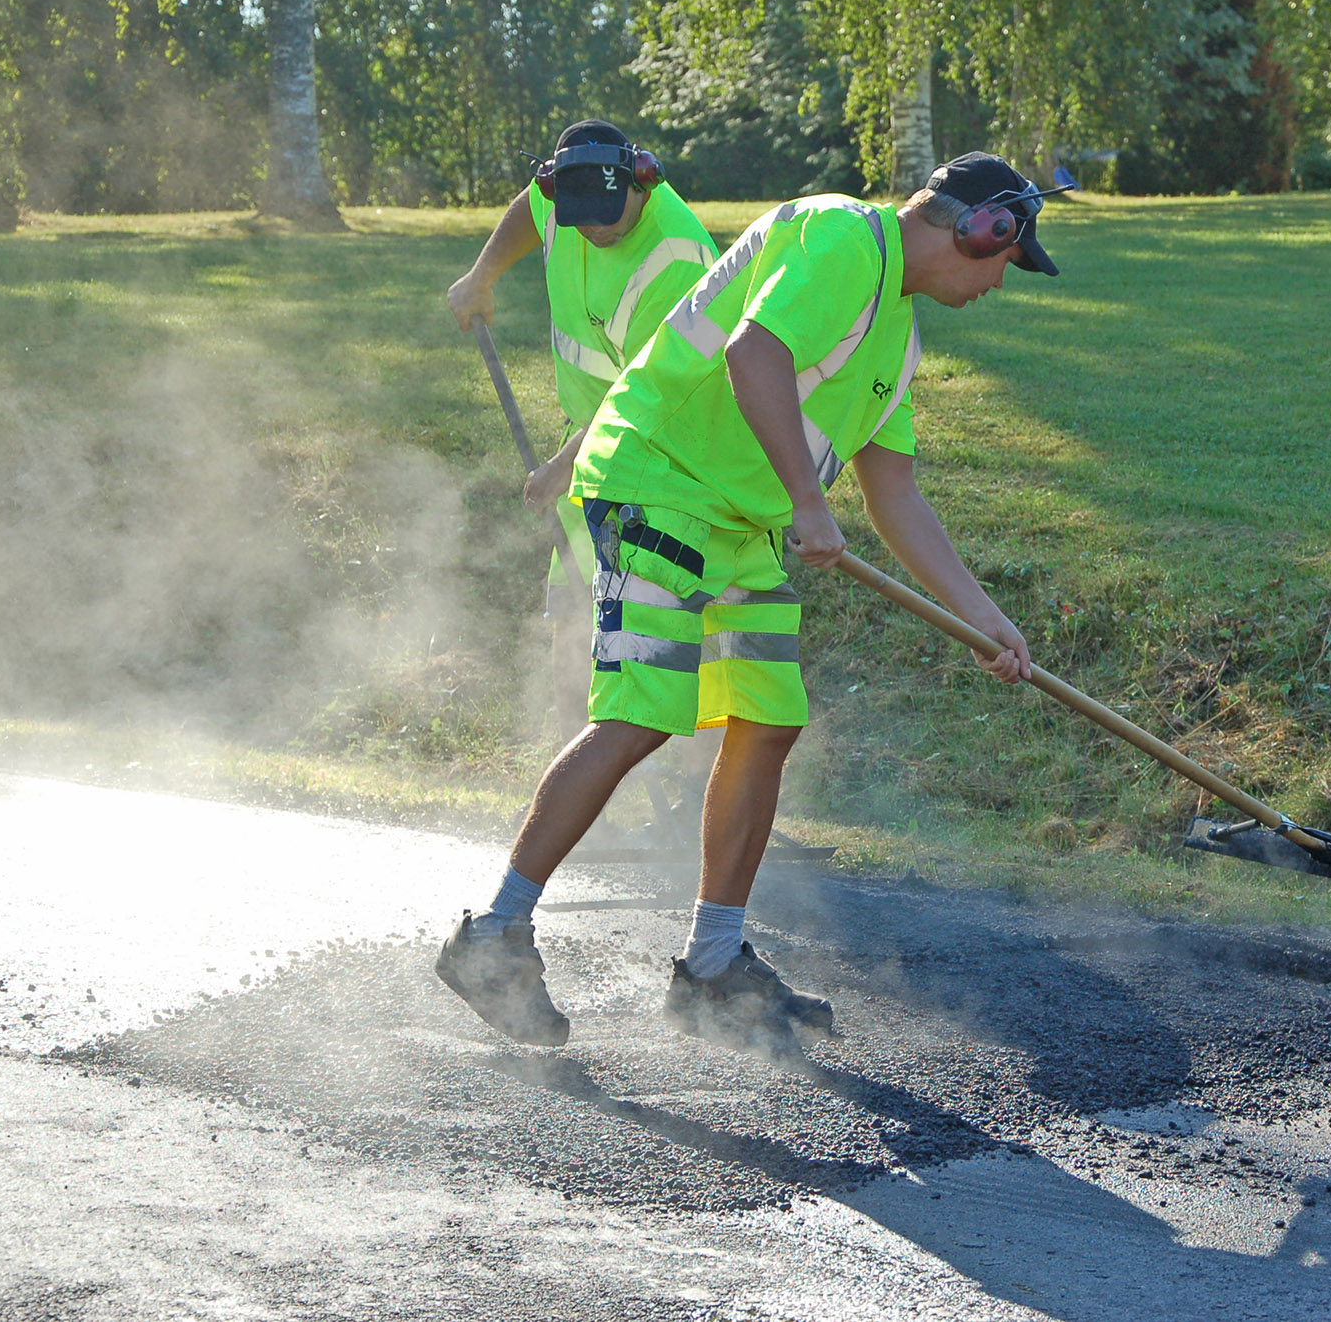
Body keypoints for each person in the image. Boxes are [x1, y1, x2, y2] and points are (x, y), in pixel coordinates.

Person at [436, 152, 1063, 1051]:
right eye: (1010, 256)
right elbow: (753, 351)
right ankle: (493, 936)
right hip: (658, 480)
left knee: (767, 721)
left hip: (740, 518)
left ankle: (714, 968)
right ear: (977, 228)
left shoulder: (900, 336)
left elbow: (898, 496)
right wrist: (809, 504)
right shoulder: (843, 235)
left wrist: (981, 618)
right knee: (645, 715)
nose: (1005, 279)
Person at [445, 121, 717, 741]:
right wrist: (483, 273)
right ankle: (580, 794)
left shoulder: (677, 257)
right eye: (581, 217)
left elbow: (645, 394)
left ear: (642, 180)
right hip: (590, 445)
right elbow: (531, 208)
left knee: (655, 632)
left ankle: (695, 799)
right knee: (571, 618)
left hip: (668, 456)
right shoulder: (561, 197)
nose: (594, 229)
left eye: (609, 215)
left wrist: (563, 466)